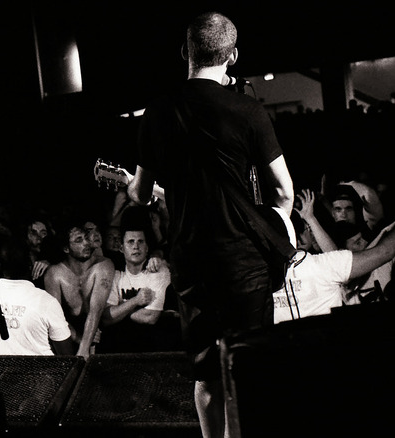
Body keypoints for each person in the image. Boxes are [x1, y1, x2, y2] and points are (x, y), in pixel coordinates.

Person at [125, 12, 294, 438]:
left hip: (193, 266)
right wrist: (274, 225)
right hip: (246, 264)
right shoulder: (248, 109)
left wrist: (132, 188)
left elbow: (142, 195)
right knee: (251, 374)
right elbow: (285, 192)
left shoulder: (158, 111)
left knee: (206, 377)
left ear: (185, 52)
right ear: (232, 56)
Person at [270, 206, 395, 323]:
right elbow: (385, 251)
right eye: (307, 229)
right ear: (300, 238)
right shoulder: (324, 266)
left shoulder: (257, 278)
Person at [0, 237, 74, 356]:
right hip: (42, 373)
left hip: (2, 373)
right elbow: (67, 357)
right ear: (30, 265)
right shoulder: (45, 301)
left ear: (0, 266)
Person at [99, 206, 180, 353]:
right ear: (121, 248)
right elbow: (106, 318)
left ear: (147, 248)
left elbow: (150, 317)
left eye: (140, 242)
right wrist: (135, 301)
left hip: (156, 349)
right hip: (125, 350)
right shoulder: (116, 274)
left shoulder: (157, 269)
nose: (136, 246)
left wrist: (120, 307)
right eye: (130, 242)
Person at [43, 210, 115, 358]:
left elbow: (96, 311)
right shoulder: (55, 274)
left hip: (101, 332)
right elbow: (55, 317)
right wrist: (80, 340)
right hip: (69, 333)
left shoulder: (103, 265)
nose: (86, 243)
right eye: (78, 240)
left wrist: (84, 348)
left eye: (86, 238)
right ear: (66, 248)